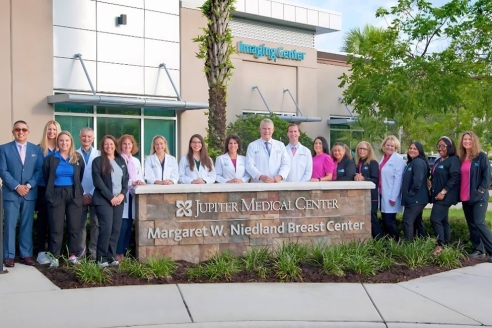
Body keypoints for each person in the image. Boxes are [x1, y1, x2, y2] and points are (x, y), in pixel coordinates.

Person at [0, 120, 43, 267]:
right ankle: (9, 256)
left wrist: (29, 185)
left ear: (28, 132)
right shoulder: (4, 149)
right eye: (17, 129)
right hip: (11, 194)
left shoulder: (36, 150)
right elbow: (2, 171)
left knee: (27, 224)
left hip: (29, 194)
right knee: (10, 225)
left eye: (24, 129)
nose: (21, 132)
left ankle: (26, 254)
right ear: (13, 132)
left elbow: (39, 170)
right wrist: (17, 186)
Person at [43, 131, 85, 267]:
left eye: (67, 140)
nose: (64, 143)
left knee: (74, 227)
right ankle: (54, 257)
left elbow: (81, 175)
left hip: (74, 194)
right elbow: (46, 175)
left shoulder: (77, 158)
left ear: (71, 142)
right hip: (56, 193)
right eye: (61, 141)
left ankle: (72, 255)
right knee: (56, 227)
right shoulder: (51, 159)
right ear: (58, 142)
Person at [92, 135, 129, 267]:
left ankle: (110, 256)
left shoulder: (121, 161)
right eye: (106, 144)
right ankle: (101, 258)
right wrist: (111, 197)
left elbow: (126, 180)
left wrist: (122, 195)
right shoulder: (97, 161)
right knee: (106, 228)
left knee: (115, 229)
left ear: (115, 145)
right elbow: (98, 183)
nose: (109, 146)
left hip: (119, 200)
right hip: (103, 200)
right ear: (102, 146)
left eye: (111, 144)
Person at [458, 131, 492, 262]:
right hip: (465, 197)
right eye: (464, 139)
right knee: (472, 224)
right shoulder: (461, 158)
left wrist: (480, 191)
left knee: (479, 223)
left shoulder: (481, 156)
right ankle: (479, 250)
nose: (467, 141)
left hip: (479, 197)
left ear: (474, 141)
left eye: (469, 139)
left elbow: (487, 176)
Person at [116, 134, 145, 262]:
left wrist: (139, 181)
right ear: (120, 146)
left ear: (133, 145)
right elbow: (117, 180)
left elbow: (140, 176)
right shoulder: (117, 160)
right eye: (124, 144)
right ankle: (118, 253)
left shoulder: (136, 161)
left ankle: (125, 253)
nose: (127, 146)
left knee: (128, 226)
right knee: (121, 227)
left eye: (129, 144)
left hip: (133, 195)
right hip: (122, 196)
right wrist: (131, 183)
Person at [35, 120, 61, 265]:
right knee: (42, 221)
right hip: (42, 189)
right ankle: (40, 252)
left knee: (55, 222)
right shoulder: (39, 149)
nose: (52, 132)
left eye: (54, 129)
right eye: (49, 129)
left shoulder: (61, 150)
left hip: (57, 190)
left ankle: (53, 252)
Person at [429, 136, 460, 255]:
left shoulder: (453, 160)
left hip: (445, 196)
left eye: (443, 146)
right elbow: (436, 175)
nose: (440, 148)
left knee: (435, 219)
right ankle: (447, 245)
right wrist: (430, 181)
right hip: (437, 195)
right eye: (438, 146)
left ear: (450, 147)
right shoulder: (439, 160)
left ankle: (440, 246)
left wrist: (443, 192)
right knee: (443, 220)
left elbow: (454, 178)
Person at [77, 127, 100, 259]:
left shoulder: (98, 154)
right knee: (80, 225)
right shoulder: (74, 154)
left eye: (89, 137)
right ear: (80, 137)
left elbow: (100, 177)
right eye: (84, 136)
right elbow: (73, 177)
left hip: (95, 194)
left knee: (96, 224)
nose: (86, 139)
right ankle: (80, 253)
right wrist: (84, 193)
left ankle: (93, 253)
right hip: (80, 195)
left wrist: (90, 193)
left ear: (93, 139)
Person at [246, 118, 290, 183]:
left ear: (273, 130)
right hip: (259, 185)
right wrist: (260, 176)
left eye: (269, 129)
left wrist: (280, 176)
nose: (266, 131)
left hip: (277, 184)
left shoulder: (280, 145)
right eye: (264, 128)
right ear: (260, 130)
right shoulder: (252, 146)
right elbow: (249, 165)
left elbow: (286, 164)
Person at [401, 142, 429, 241]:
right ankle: (422, 242)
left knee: (407, 221)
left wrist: (410, 195)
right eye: (410, 148)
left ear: (420, 151)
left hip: (416, 199)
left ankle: (408, 247)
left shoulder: (418, 163)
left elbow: (417, 181)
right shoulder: (412, 162)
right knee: (417, 221)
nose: (412, 150)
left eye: (415, 149)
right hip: (415, 199)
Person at [379, 135, 406, 240]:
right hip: (382, 193)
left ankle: (397, 242)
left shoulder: (398, 160)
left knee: (389, 222)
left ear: (396, 148)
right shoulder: (384, 158)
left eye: (392, 146)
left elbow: (398, 180)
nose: (390, 147)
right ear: (384, 145)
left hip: (391, 196)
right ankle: (389, 243)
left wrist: (393, 197)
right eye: (388, 145)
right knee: (385, 221)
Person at [354, 141, 381, 238]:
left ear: (369, 150)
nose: (361, 151)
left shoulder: (373, 163)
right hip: (361, 196)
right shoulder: (357, 163)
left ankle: (380, 239)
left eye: (364, 149)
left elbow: (375, 180)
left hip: (372, 196)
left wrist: (364, 178)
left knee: (372, 217)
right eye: (360, 148)